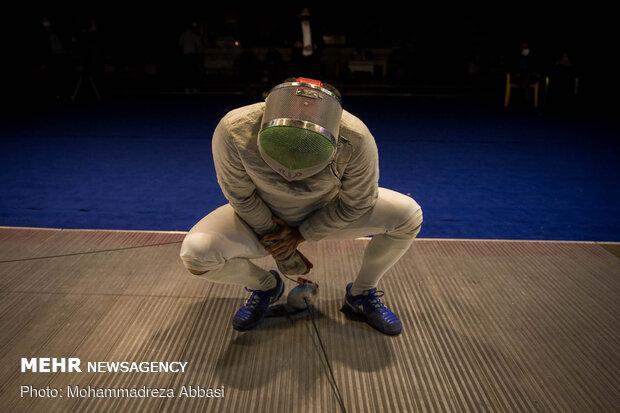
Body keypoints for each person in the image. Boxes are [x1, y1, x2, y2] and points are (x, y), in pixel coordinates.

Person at [180, 77, 423, 335]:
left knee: (407, 216)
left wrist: (301, 234)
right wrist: (277, 241)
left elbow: (357, 203)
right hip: (261, 214)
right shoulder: (234, 129)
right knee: (197, 254)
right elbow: (241, 197)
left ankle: (361, 293)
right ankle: (266, 286)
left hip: (327, 209)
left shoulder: (356, 138)